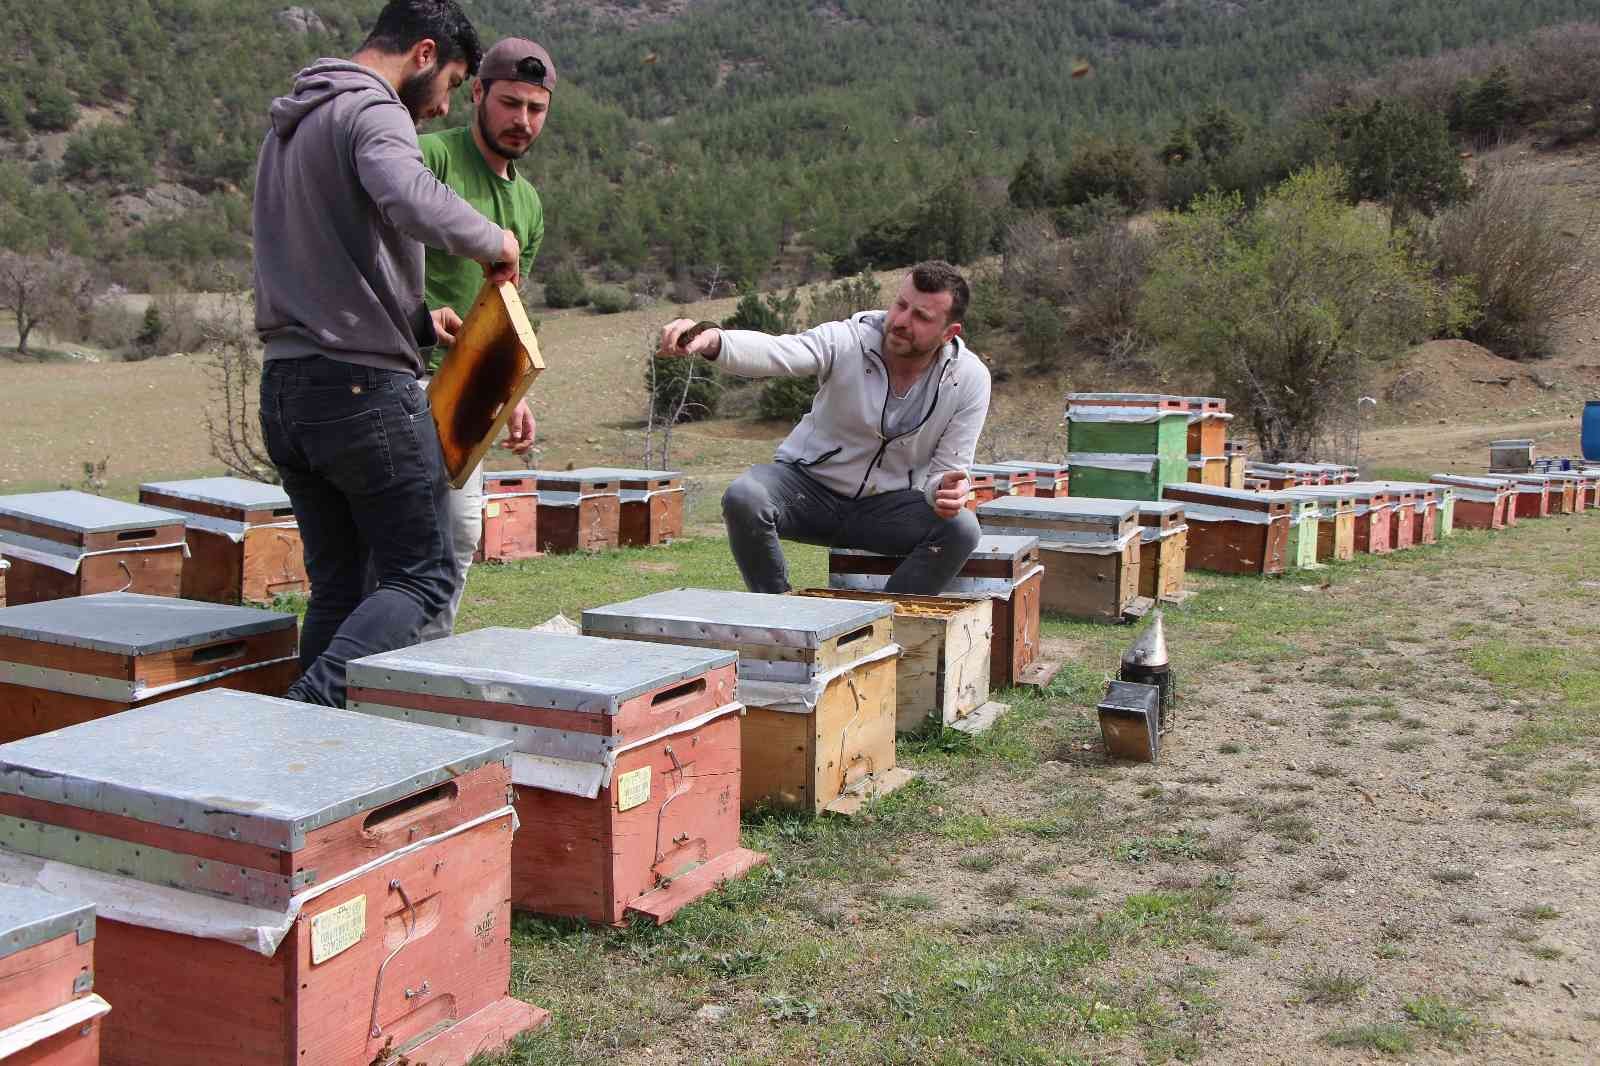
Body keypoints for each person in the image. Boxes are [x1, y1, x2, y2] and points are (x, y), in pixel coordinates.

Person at [253, 0, 520, 707]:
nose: (441, 108)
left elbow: (328, 258)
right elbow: (407, 195)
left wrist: (417, 317)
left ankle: (301, 758)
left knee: (340, 587)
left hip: (286, 387)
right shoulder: (375, 110)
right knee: (421, 574)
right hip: (360, 392)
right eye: (454, 84)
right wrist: (495, 240)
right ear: (425, 55)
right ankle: (304, 712)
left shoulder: (294, 122)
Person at [658, 260, 989, 595]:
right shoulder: (848, 339)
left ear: (949, 332)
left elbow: (948, 471)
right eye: (900, 305)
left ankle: (890, 625)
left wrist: (946, 492)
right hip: (807, 492)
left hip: (886, 510)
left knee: (961, 528)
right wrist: (714, 339)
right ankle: (779, 616)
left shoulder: (970, 379)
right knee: (745, 497)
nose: (902, 321)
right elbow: (777, 352)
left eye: (922, 317)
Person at [412, 36, 551, 640]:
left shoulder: (528, 203)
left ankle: (426, 669)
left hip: (466, 393)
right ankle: (375, 673)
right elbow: (372, 256)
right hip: (398, 373)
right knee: (401, 539)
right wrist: (419, 310)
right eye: (510, 103)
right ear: (478, 94)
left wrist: (513, 393)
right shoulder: (429, 157)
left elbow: (509, 312)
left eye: (536, 109)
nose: (522, 120)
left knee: (461, 535)